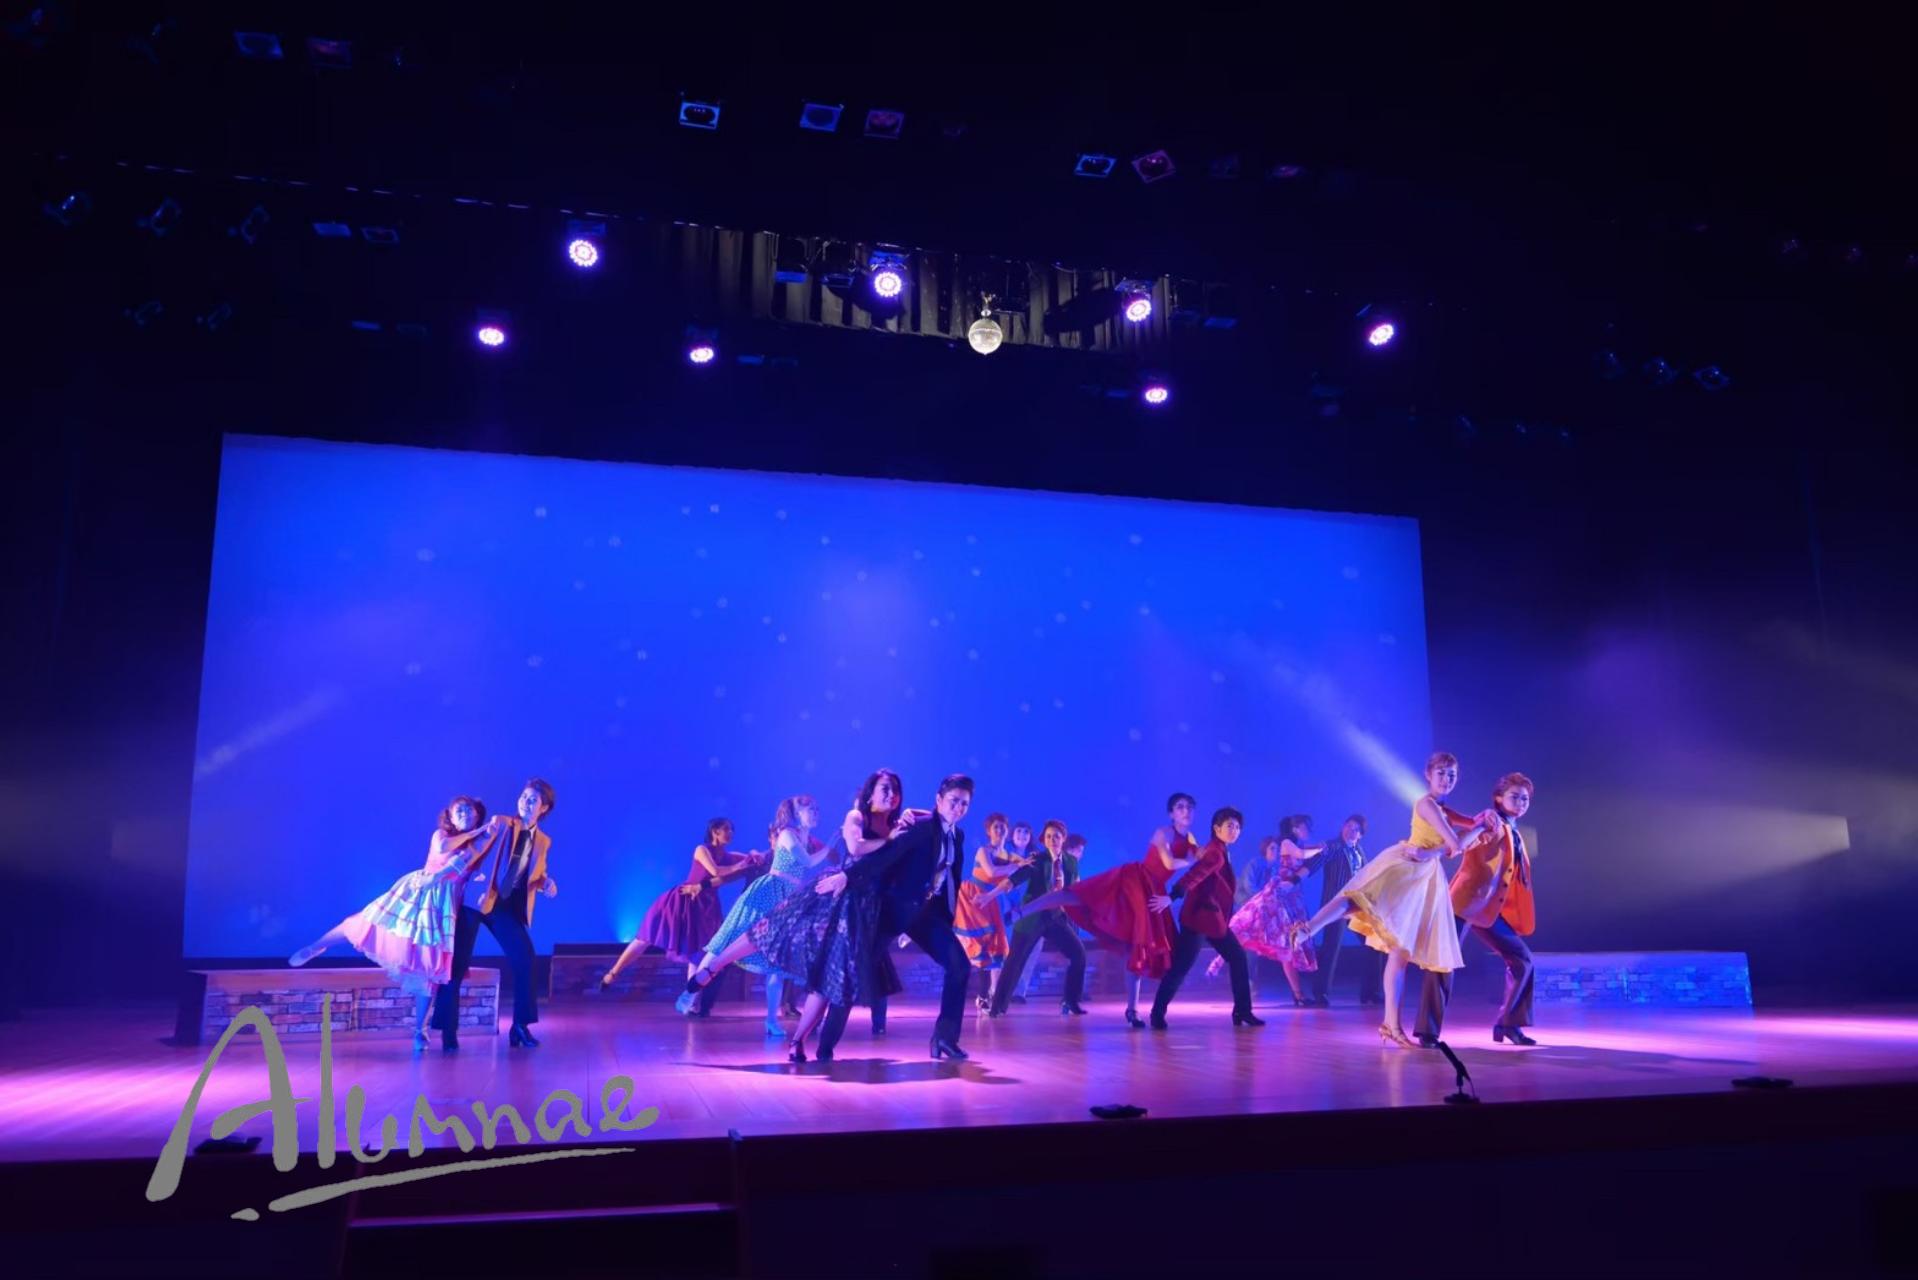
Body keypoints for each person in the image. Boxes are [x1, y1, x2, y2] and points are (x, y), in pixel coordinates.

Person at [678, 770, 907, 1061]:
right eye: (885, 788)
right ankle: (709, 971)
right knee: (763, 931)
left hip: (851, 904)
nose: (891, 795)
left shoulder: (887, 827)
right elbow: (848, 850)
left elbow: (852, 858)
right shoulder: (844, 820)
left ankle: (792, 1035)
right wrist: (869, 846)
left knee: (815, 970)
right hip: (791, 890)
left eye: (895, 790)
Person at [1291, 754, 1497, 1047]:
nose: (1447, 779)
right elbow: (1454, 845)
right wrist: (1478, 828)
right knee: (1359, 900)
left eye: (1452, 774)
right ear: (1428, 774)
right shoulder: (1426, 804)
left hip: (1423, 878)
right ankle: (1308, 928)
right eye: (1441, 773)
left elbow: (1462, 823)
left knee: (1400, 952)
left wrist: (1480, 820)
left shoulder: (1441, 807)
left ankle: (1391, 1025)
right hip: (1408, 866)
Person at [289, 795, 501, 1051]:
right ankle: (316, 946)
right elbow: (445, 849)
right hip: (418, 895)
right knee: (363, 923)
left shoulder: (475, 847)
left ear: (478, 815)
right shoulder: (441, 835)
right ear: (451, 816)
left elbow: (462, 866)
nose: (464, 813)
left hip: (443, 909)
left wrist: (482, 842)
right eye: (459, 810)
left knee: (427, 971)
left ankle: (420, 1030)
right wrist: (478, 832)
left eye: (469, 810)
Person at [809, 773, 980, 1061]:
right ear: (939, 800)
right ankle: (825, 1046)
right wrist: (847, 876)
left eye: (964, 804)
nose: (958, 808)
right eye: (953, 801)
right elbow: (886, 856)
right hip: (891, 911)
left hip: (925, 915)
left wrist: (946, 918)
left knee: (960, 965)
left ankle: (944, 1039)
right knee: (855, 973)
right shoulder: (920, 827)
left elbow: (950, 879)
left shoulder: (957, 835)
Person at [1023, 792, 1201, 1028]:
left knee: (1136, 950)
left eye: (1189, 807)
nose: (1186, 811)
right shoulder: (1163, 833)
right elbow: (1169, 862)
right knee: (1078, 895)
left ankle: (1132, 1010)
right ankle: (1024, 910)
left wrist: (1200, 858)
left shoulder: (1191, 840)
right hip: (1136, 882)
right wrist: (1192, 859)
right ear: (1172, 813)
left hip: (1155, 894)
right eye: (1180, 807)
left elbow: (1201, 862)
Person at [675, 797, 828, 1035]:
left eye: (817, 809)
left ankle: (771, 1020)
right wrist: (833, 843)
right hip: (767, 894)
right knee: (724, 942)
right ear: (797, 813)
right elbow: (806, 862)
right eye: (810, 809)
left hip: (786, 900)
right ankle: (690, 992)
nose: (816, 812)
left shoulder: (804, 837)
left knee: (777, 962)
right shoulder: (788, 834)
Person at [431, 779, 560, 1051]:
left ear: (544, 808)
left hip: (505, 907)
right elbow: (474, 850)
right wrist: (443, 874)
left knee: (525, 957)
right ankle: (448, 1033)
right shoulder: (501, 823)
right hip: (478, 899)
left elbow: (535, 874)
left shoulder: (543, 841)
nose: (525, 802)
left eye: (533, 800)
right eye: (523, 797)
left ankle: (520, 1027)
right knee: (457, 964)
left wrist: (546, 882)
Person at [1415, 773, 1540, 1048]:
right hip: (1462, 904)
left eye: (1525, 799)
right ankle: (1427, 1032)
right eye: (1515, 797)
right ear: (1498, 798)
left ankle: (1509, 1024)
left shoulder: (1514, 830)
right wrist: (1433, 851)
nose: (1521, 802)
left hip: (1489, 910)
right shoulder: (1491, 822)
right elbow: (1463, 841)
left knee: (1522, 960)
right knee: (1443, 961)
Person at [606, 818, 767, 1014]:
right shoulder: (702, 850)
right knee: (645, 937)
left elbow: (751, 857)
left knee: (697, 955)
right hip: (683, 901)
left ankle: (690, 1001)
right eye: (726, 829)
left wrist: (753, 855)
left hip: (706, 908)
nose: (730, 833)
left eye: (732, 829)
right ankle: (614, 972)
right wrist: (741, 865)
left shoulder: (728, 856)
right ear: (715, 832)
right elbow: (715, 871)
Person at [1149, 807, 1262, 1029]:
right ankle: (1157, 1013)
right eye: (1229, 826)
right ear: (1216, 828)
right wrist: (1173, 895)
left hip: (1213, 920)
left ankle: (1242, 1011)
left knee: (1238, 957)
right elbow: (1195, 875)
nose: (1234, 831)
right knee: (1181, 967)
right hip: (1199, 920)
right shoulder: (1215, 852)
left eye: (1237, 827)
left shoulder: (1220, 849)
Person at [1209, 821, 1319, 1005]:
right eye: (1272, 848)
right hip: (1261, 903)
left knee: (1286, 945)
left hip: (1283, 902)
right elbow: (1248, 887)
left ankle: (1298, 994)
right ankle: (1225, 968)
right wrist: (1321, 849)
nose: (1276, 851)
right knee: (1246, 936)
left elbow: (1302, 863)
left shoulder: (1278, 864)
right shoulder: (1268, 856)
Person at [989, 820, 1089, 1017]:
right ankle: (998, 1006)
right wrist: (994, 893)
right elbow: (1015, 879)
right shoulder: (1038, 859)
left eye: (1056, 836)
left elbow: (1076, 886)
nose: (1052, 840)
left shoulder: (1071, 862)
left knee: (1078, 953)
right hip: (1032, 917)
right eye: (1049, 836)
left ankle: (1071, 1001)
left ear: (1063, 839)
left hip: (1056, 917)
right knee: (1015, 961)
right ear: (1044, 839)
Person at [955, 813, 1032, 1010]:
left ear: (1007, 830)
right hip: (973, 899)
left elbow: (1027, 865)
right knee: (970, 942)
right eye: (995, 827)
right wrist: (1017, 865)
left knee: (989, 950)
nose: (999, 830)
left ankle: (984, 996)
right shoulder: (984, 851)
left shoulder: (1009, 855)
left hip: (992, 903)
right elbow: (992, 872)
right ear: (989, 831)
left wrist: (1030, 862)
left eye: (1002, 827)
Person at [1296, 814, 1367, 1007]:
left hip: (1358, 906)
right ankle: (1321, 993)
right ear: (1343, 827)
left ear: (1360, 835)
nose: (1350, 830)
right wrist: (1295, 878)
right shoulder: (1333, 846)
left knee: (1373, 944)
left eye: (1355, 829)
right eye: (1348, 826)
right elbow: (1314, 864)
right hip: (1336, 905)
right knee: (1331, 947)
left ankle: (1371, 992)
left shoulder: (1359, 851)